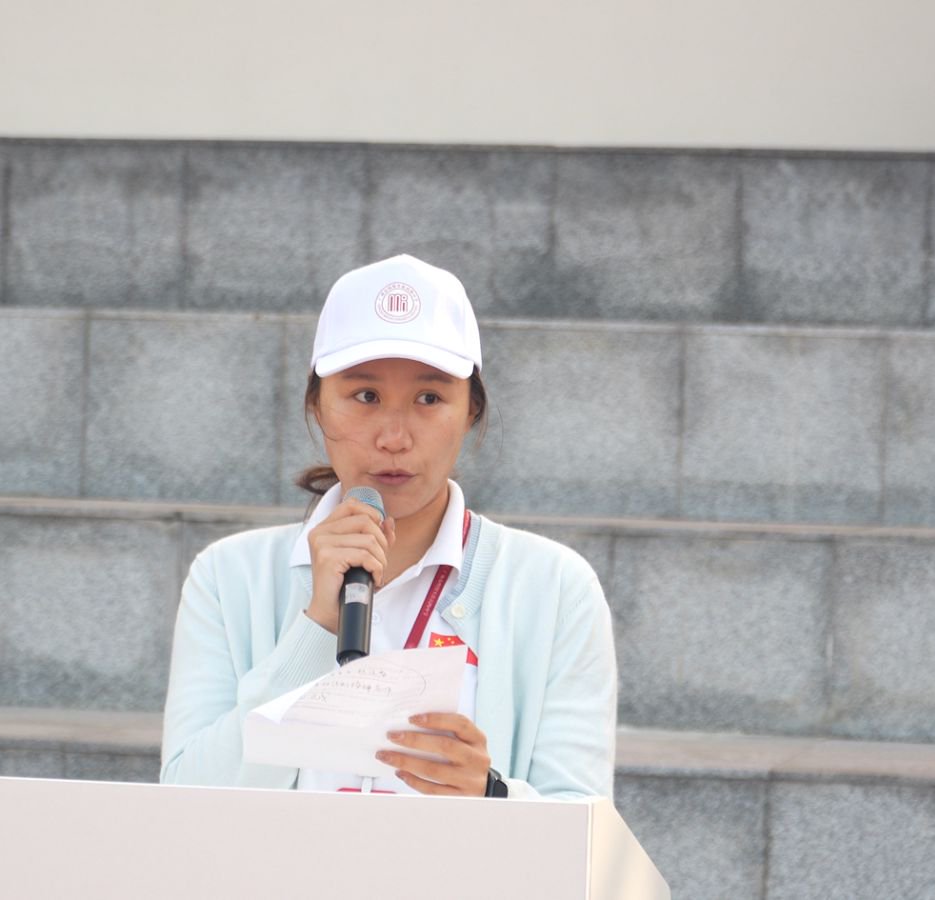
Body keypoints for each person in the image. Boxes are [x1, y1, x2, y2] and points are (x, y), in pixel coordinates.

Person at [159, 254, 616, 800]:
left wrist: (490, 795)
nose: (394, 438)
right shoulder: (228, 576)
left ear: (470, 411)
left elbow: (582, 821)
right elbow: (183, 801)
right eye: (365, 396)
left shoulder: (554, 586)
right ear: (317, 406)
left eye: (429, 398)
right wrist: (316, 625)